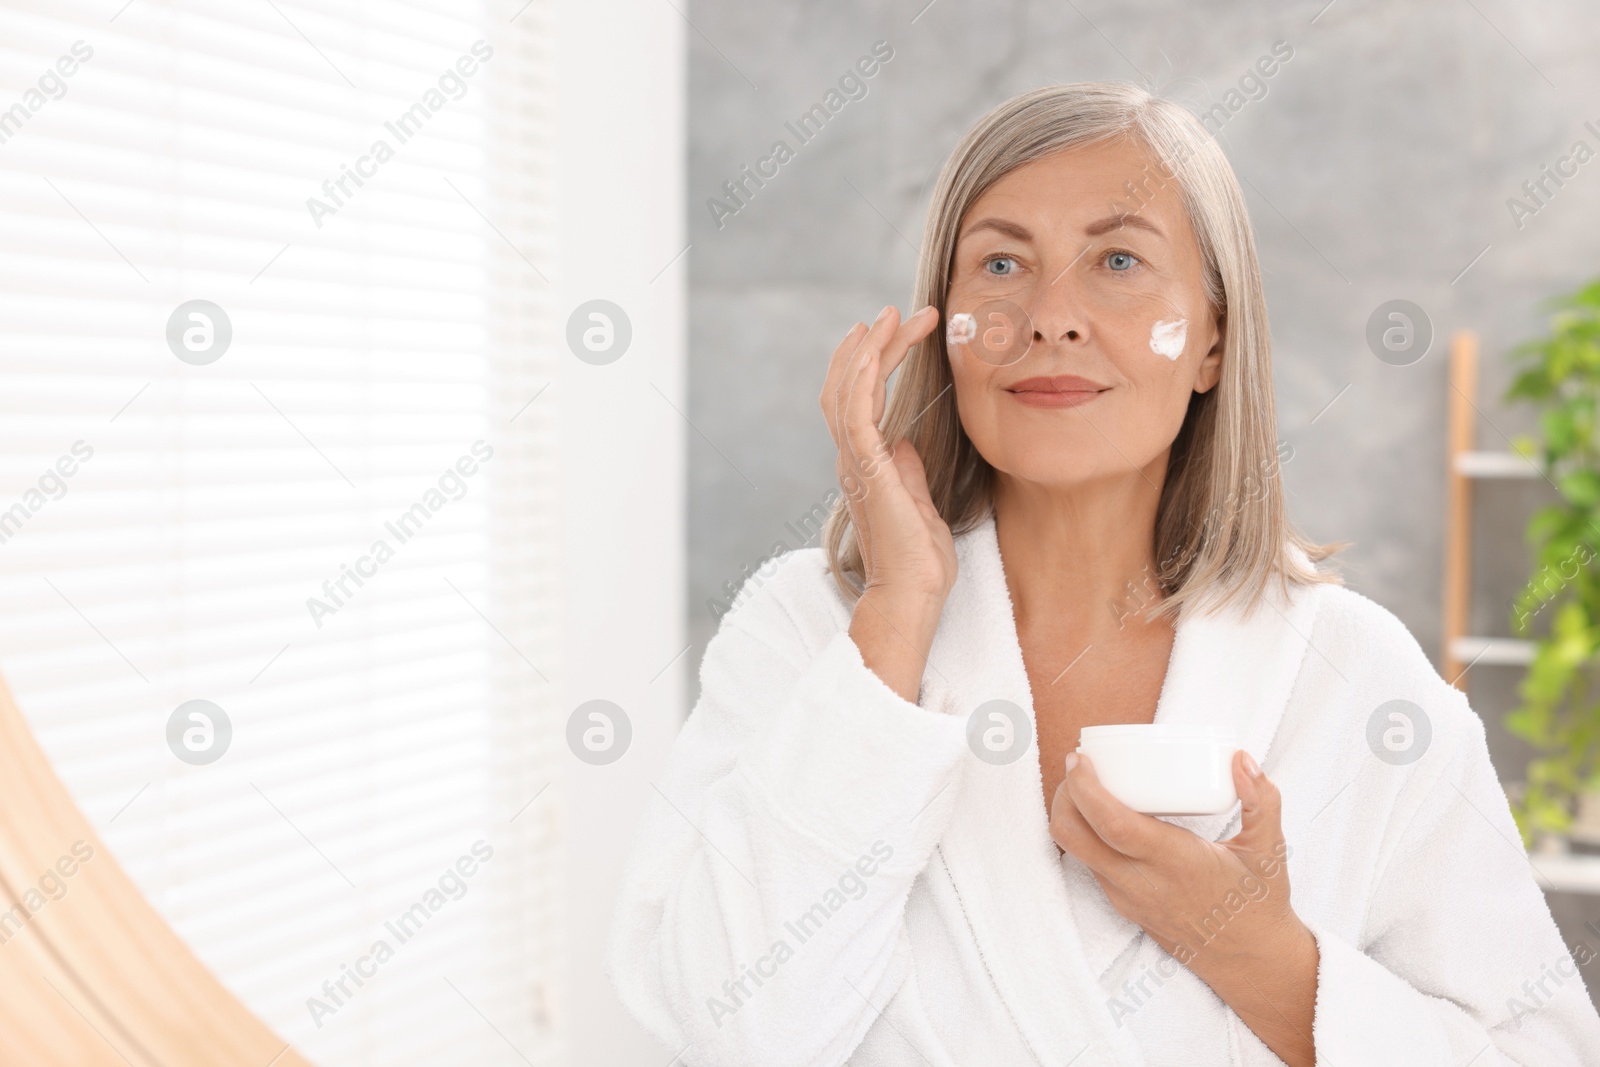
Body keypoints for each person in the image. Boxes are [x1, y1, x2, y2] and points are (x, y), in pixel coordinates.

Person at [606, 81, 1600, 1066]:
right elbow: (723, 1031)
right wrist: (897, 615)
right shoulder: (808, 630)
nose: (1048, 316)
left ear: (1212, 336)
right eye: (1000, 262)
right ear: (942, 321)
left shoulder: (1354, 676)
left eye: (1117, 259)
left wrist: (1258, 954)